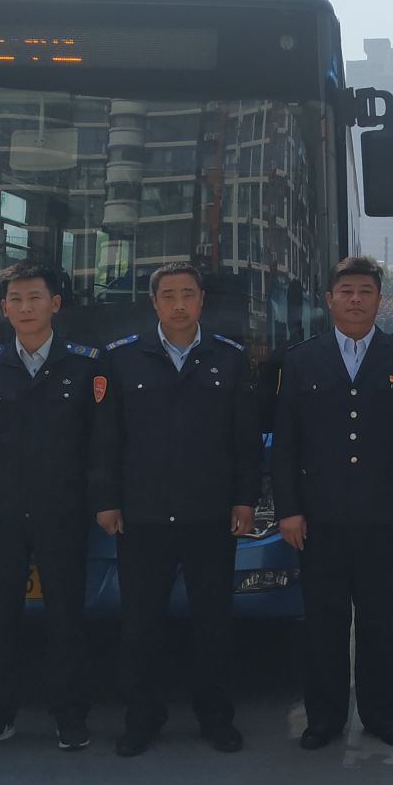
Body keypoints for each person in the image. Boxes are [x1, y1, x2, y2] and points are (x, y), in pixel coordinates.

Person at [94, 263, 260, 756]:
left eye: (189, 294)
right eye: (169, 295)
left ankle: (216, 718)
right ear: (154, 303)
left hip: (210, 515)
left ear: (202, 300)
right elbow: (106, 440)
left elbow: (245, 439)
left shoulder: (230, 359)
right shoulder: (122, 359)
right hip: (143, 515)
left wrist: (245, 499)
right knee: (140, 624)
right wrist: (106, 501)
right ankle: (142, 719)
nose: (180, 304)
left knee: (214, 623)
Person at [272, 256, 393, 750]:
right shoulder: (301, 360)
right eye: (346, 291)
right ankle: (324, 718)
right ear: (329, 299)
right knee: (323, 623)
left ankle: (382, 716)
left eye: (365, 291)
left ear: (379, 300)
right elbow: (286, 443)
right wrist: (289, 510)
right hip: (318, 518)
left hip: (385, 518)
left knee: (379, 621)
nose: (356, 299)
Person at [0, 261, 113, 755]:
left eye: (35, 298)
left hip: (63, 509)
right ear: (4, 308)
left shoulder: (86, 365)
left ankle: (69, 716)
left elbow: (98, 441)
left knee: (66, 617)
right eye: (16, 300)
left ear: (55, 304)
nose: (25, 308)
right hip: (4, 511)